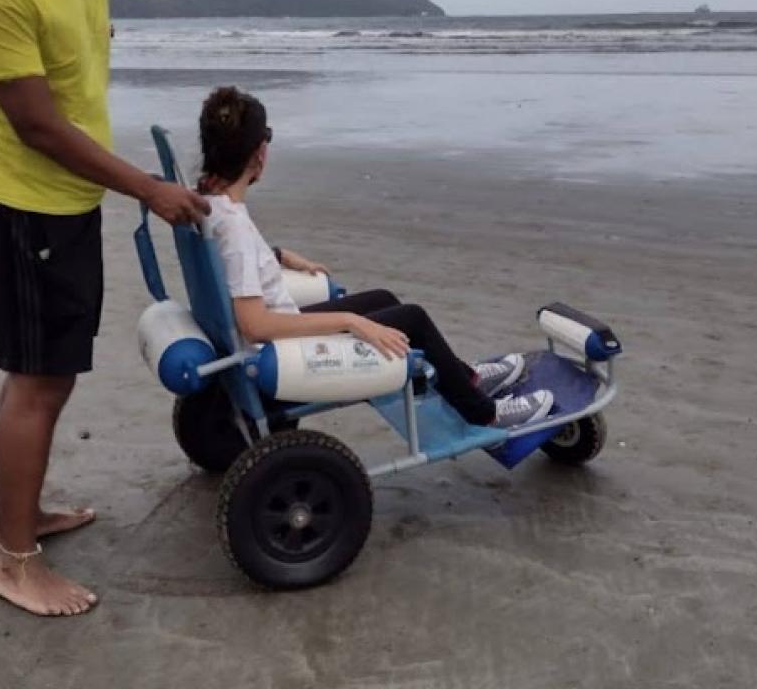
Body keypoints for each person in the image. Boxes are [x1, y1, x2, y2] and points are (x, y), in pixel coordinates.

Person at [0, 0, 309, 618]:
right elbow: (38, 127)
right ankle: (14, 559)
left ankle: (26, 516)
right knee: (36, 382)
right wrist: (148, 190)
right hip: (22, 214)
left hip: (67, 210)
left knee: (52, 377)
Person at [195, 86, 552, 432]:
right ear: (259, 153)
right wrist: (351, 321)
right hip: (276, 352)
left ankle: (466, 378)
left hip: (271, 336)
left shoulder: (210, 205)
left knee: (383, 300)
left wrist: (280, 256)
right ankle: (485, 413)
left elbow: (233, 262)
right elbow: (255, 324)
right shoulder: (236, 228)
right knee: (412, 318)